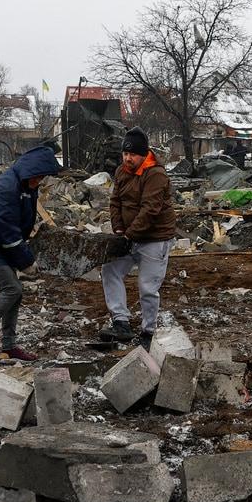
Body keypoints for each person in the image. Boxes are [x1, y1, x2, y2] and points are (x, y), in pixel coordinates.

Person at [0, 144, 62, 362]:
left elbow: (19, 224)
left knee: (15, 293)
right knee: (12, 288)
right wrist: (26, 261)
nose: (40, 181)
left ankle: (9, 345)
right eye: (39, 176)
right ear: (30, 172)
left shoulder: (25, 185)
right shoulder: (7, 188)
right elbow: (8, 229)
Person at [100, 127, 176, 348]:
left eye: (132, 154)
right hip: (129, 237)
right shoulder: (122, 172)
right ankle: (121, 322)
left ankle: (148, 331)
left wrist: (129, 235)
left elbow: (150, 210)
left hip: (155, 238)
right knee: (110, 270)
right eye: (125, 154)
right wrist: (118, 230)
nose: (127, 158)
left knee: (147, 286)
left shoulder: (156, 174)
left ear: (143, 154)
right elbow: (115, 202)